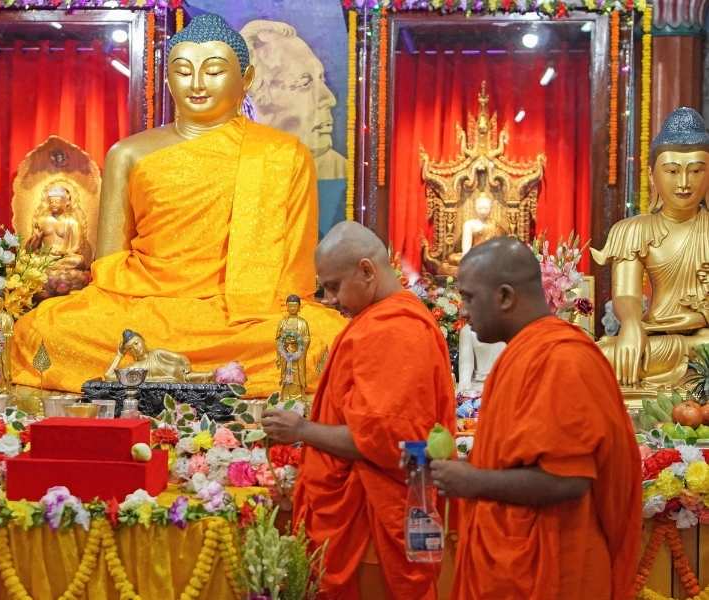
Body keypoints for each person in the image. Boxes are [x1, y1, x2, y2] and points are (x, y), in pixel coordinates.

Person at [11, 13, 346, 395]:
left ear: (247, 79)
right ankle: (209, 375)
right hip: (144, 305)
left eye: (215, 71)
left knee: (323, 335)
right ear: (168, 77)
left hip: (239, 318)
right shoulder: (129, 153)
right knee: (41, 329)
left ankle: (152, 372)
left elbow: (293, 273)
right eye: (183, 71)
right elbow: (108, 265)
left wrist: (261, 311)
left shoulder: (284, 153)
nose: (197, 84)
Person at [431, 237, 641, 600]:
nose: (462, 312)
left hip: (556, 569)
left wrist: (475, 481)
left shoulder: (563, 360)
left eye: (468, 298)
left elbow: (569, 481)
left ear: (505, 297)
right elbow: (516, 457)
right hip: (512, 563)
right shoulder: (522, 353)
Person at [263, 221, 456, 599]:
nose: (330, 299)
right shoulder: (381, 320)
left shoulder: (394, 331)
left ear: (367, 270)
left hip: (371, 521)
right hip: (363, 513)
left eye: (334, 286)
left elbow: (383, 441)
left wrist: (300, 430)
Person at [591, 106, 709, 390]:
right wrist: (631, 324)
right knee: (601, 357)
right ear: (652, 174)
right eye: (672, 171)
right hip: (653, 338)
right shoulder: (633, 230)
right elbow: (627, 293)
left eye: (696, 171)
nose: (684, 183)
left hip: (702, 342)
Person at [240, 19, 346, 236]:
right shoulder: (224, 168)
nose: (330, 99)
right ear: (254, 96)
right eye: (304, 83)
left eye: (321, 79)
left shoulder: (339, 170)